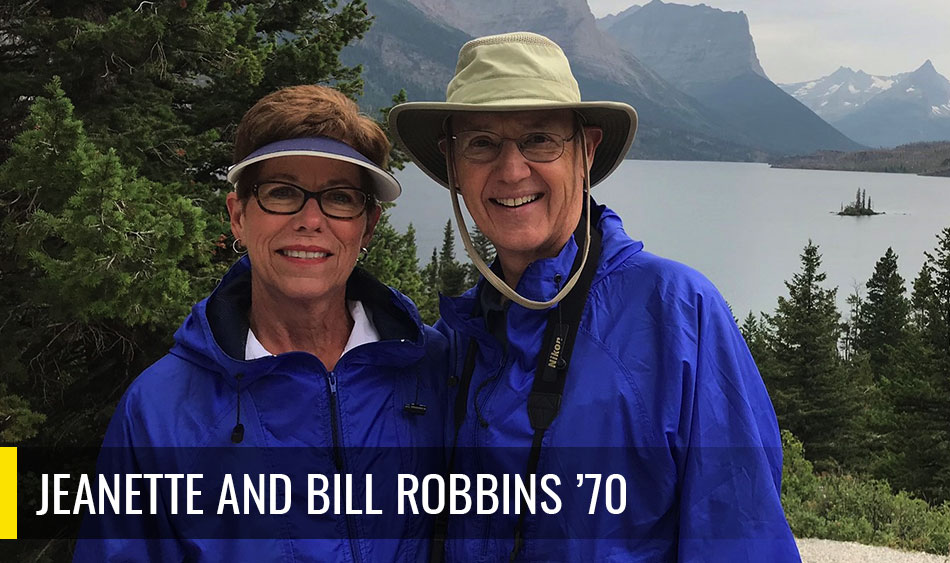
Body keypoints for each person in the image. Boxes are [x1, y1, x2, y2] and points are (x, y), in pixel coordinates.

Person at [389, 32, 800, 561]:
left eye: (540, 139)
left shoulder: (677, 315)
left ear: (586, 151)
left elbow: (741, 538)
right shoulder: (455, 342)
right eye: (481, 143)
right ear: (453, 166)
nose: (512, 170)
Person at [74, 85, 448, 562]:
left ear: (368, 225)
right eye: (282, 193)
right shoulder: (161, 409)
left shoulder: (435, 371)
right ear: (238, 216)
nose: (311, 220)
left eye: (339, 197)